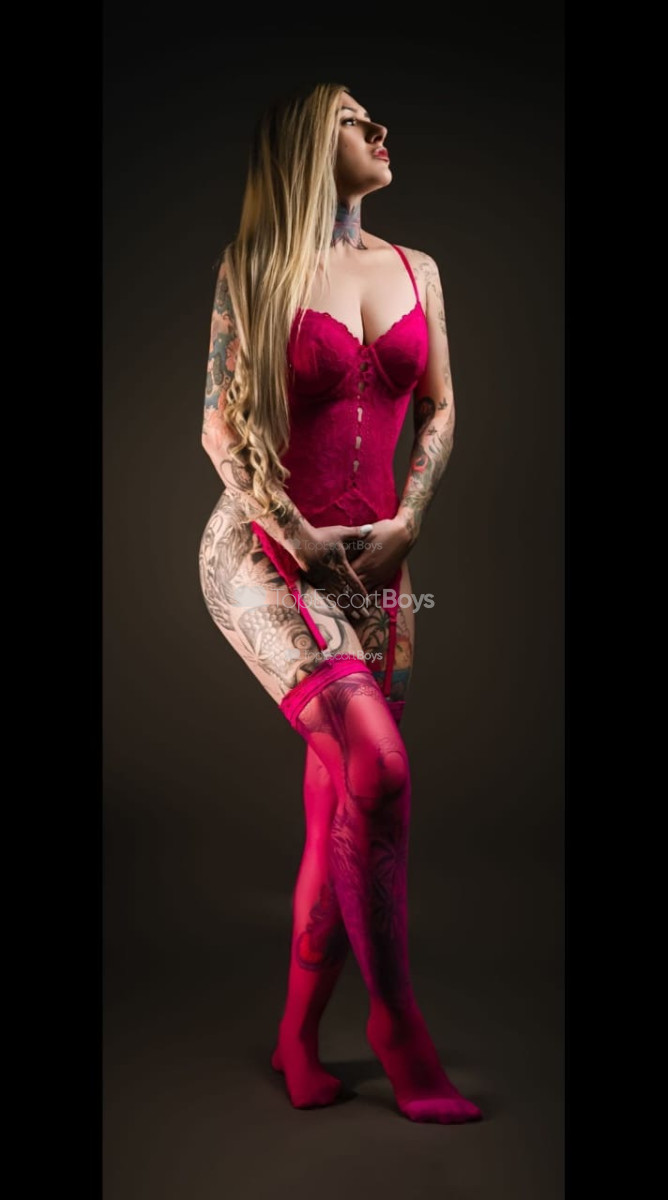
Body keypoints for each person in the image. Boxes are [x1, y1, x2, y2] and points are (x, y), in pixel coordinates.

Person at [198, 81, 482, 1125]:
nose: (380, 130)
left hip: (378, 568)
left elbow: (440, 408)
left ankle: (294, 1036)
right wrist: (292, 531)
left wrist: (409, 519)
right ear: (308, 147)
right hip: (266, 552)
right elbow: (220, 427)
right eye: (356, 121)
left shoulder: (419, 271)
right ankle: (398, 1029)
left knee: (345, 807)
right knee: (380, 768)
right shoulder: (254, 269)